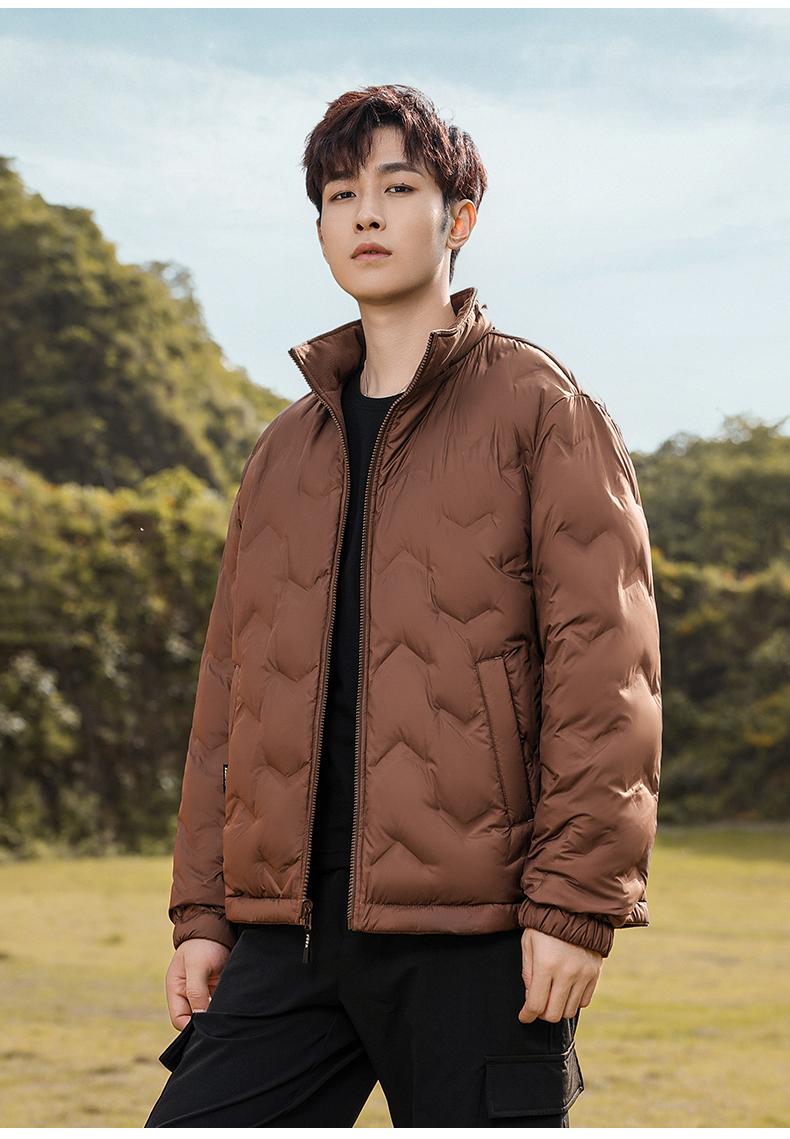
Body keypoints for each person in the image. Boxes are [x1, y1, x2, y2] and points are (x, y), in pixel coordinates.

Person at [144, 84, 662, 1128]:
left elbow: (607, 675)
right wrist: (203, 911)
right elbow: (227, 696)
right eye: (340, 195)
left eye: (396, 187)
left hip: (479, 936)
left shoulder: (543, 410)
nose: (366, 214)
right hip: (286, 932)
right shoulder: (284, 451)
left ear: (457, 218)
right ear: (320, 230)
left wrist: (574, 904)